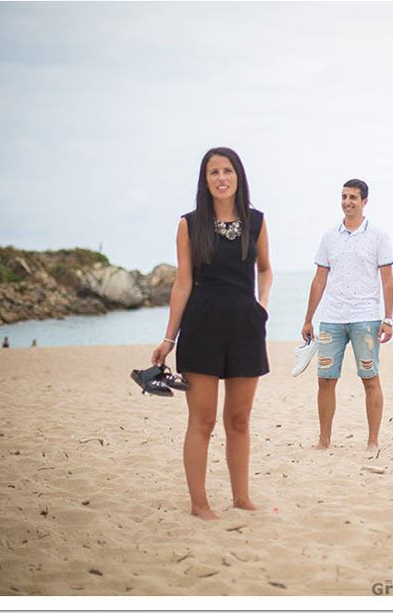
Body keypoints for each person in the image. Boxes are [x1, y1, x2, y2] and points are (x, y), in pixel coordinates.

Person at [151, 147, 272, 521]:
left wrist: (262, 305)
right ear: (205, 181)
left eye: (228, 171)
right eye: (213, 172)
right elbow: (182, 284)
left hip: (245, 325)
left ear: (239, 176)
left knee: (238, 419)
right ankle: (199, 505)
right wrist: (169, 339)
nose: (221, 178)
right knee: (202, 421)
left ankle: (241, 498)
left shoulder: (256, 221)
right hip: (201, 325)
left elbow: (265, 270)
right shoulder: (189, 224)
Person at [301, 179, 393, 452]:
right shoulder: (329, 236)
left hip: (366, 317)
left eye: (353, 197)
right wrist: (308, 318)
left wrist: (388, 319)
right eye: (344, 196)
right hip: (332, 317)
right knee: (325, 380)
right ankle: (324, 441)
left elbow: (388, 280)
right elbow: (319, 280)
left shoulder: (378, 235)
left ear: (364, 202)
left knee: (369, 378)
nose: (347, 201)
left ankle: (373, 441)